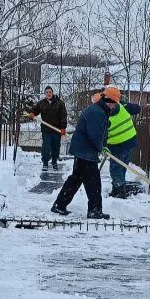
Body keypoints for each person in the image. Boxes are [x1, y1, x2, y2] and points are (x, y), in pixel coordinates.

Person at [50, 89, 115, 219]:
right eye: (115, 103)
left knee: (76, 179)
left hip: (82, 149)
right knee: (93, 182)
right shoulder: (97, 112)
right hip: (85, 151)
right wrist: (101, 147)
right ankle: (94, 210)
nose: (115, 106)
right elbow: (94, 135)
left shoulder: (98, 110)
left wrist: (104, 145)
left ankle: (60, 204)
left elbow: (100, 131)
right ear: (109, 101)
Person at [101, 86, 142, 199]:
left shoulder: (104, 113)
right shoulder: (123, 106)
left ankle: (120, 191)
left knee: (115, 169)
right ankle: (117, 189)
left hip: (118, 146)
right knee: (122, 165)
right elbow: (138, 108)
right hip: (131, 142)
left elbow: (102, 134)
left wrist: (103, 146)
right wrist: (125, 104)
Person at [27, 86, 67, 170]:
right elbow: (35, 110)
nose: (48, 94)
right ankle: (45, 163)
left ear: (52, 93)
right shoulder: (41, 103)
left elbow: (63, 116)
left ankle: (54, 161)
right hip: (46, 129)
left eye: (50, 92)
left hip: (57, 129)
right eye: (47, 92)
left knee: (55, 147)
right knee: (46, 146)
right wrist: (32, 114)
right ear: (45, 94)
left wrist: (63, 128)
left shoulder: (60, 103)